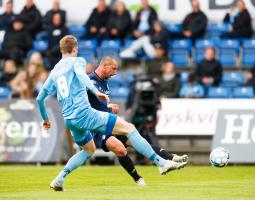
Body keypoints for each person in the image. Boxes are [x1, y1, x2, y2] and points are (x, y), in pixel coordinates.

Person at [36, 35, 187, 191]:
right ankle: (161, 163)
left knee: (89, 150)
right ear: (75, 48)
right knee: (130, 128)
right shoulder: (78, 61)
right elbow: (81, 75)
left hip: (69, 119)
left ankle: (59, 179)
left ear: (61, 49)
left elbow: (40, 99)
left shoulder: (54, 71)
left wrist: (46, 119)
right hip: (84, 113)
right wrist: (96, 92)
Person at [87, 57, 188, 186]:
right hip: (98, 126)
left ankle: (169, 157)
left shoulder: (104, 81)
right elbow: (86, 105)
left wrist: (109, 105)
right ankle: (139, 178)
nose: (116, 73)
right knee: (121, 150)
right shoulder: (90, 81)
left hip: (109, 122)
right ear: (104, 66)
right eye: (113, 69)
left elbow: (98, 102)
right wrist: (108, 106)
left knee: (138, 141)